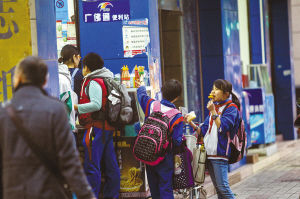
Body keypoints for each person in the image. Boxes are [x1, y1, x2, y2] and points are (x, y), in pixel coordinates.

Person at [0, 56, 96, 199]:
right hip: (49, 192)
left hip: (14, 193)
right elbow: (70, 161)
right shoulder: (56, 110)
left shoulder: (3, 112)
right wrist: (86, 195)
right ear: (45, 81)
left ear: (17, 79)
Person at [74, 53, 120, 199]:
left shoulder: (94, 81)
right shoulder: (107, 78)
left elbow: (96, 104)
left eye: (83, 66)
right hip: (106, 127)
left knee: (92, 165)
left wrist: (76, 107)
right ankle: (111, 195)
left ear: (87, 67)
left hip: (96, 128)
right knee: (111, 165)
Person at [185, 79, 240, 199]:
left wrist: (213, 112)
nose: (213, 92)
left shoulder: (231, 108)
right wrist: (191, 123)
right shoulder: (214, 108)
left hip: (220, 153)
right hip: (209, 154)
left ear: (226, 94)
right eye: (213, 89)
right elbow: (203, 130)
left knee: (223, 188)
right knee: (219, 190)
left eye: (216, 89)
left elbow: (224, 126)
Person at [136, 79, 184, 199]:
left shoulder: (152, 104)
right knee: (165, 187)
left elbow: (141, 94)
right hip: (164, 156)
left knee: (154, 188)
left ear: (162, 91)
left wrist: (141, 85)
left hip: (148, 152)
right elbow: (177, 141)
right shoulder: (177, 115)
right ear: (177, 97)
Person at [58, 45, 80, 131]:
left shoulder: (57, 73)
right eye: (79, 57)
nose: (79, 59)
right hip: (72, 115)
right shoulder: (79, 74)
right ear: (74, 57)